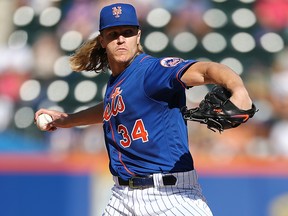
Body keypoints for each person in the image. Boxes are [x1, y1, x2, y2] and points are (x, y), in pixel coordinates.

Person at [35, 3, 253, 215]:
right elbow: (112, 109)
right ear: (102, 40)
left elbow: (207, 70)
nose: (121, 39)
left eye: (127, 32)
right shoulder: (118, 81)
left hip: (170, 197)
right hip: (121, 197)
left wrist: (238, 89)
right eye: (113, 34)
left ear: (138, 36)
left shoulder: (153, 72)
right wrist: (67, 120)